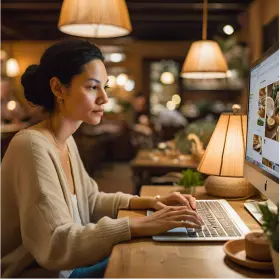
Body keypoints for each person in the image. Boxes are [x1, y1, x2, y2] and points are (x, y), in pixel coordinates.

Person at [1, 40, 203, 278]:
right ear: (58, 88)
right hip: (44, 273)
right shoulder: (31, 146)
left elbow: (91, 201)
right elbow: (57, 243)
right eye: (92, 87)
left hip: (69, 267)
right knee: (155, 264)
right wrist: (140, 225)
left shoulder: (66, 140)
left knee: (161, 255)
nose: (104, 98)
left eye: (104, 87)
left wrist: (151, 202)